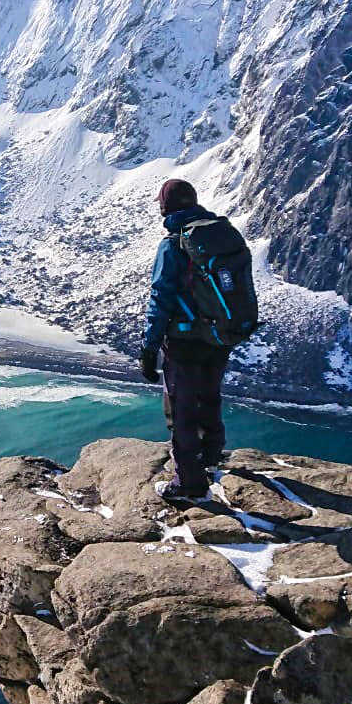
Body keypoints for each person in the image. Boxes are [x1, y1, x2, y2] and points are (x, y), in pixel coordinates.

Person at [140, 178, 230, 502]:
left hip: (184, 342)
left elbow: (161, 297)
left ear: (166, 207)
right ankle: (211, 458)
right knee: (210, 398)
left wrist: (149, 348)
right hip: (219, 337)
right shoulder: (218, 234)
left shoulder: (173, 244)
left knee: (181, 413)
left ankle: (189, 485)